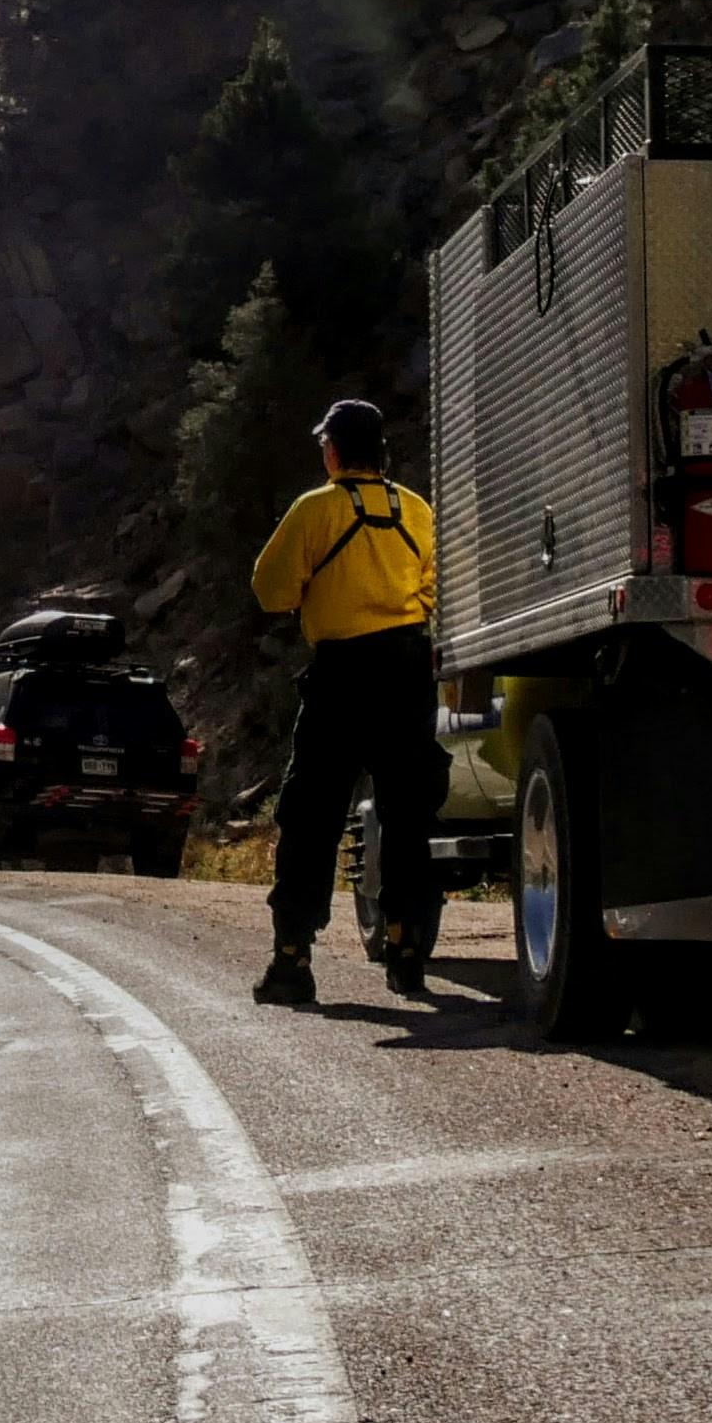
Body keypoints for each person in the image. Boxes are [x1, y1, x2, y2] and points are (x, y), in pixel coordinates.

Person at [246, 398, 442, 1008]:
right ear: (382, 453)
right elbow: (436, 588)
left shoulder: (316, 509)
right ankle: (408, 954)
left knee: (311, 817)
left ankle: (292, 961)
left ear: (333, 451)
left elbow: (271, 591)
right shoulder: (416, 509)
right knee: (409, 815)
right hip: (408, 671)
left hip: (342, 676)